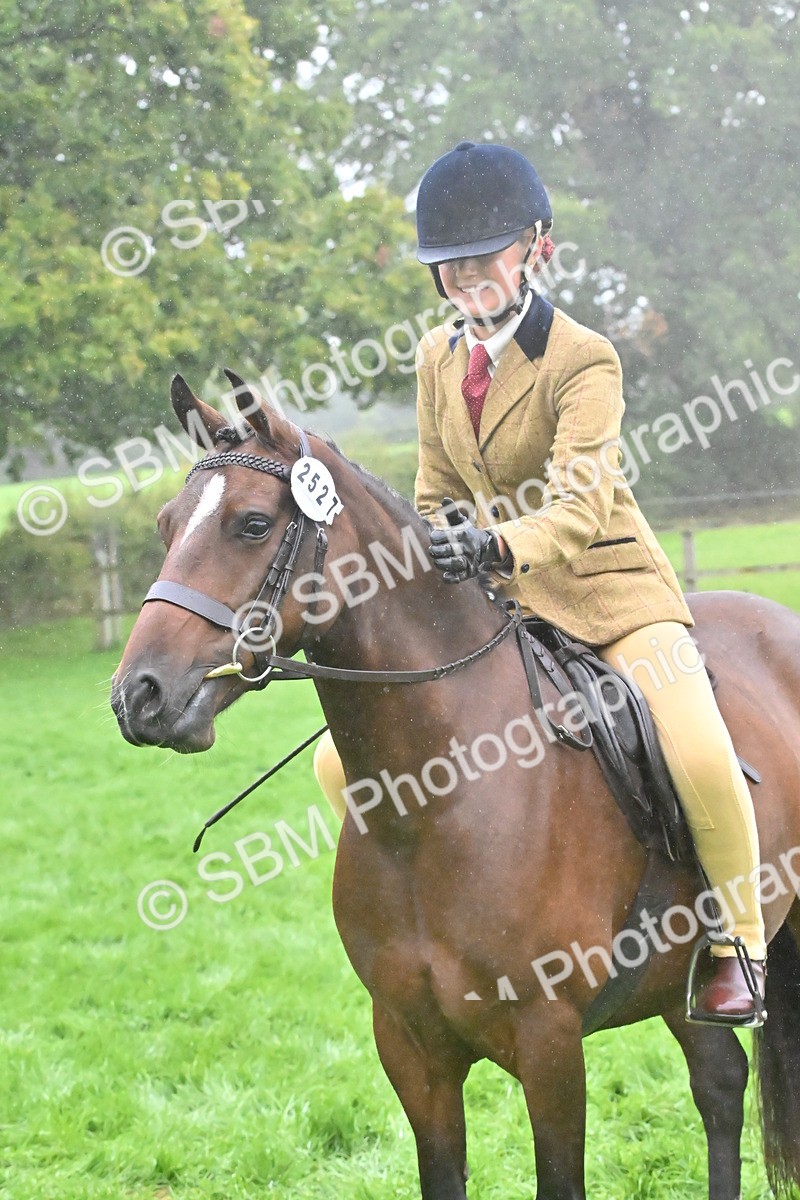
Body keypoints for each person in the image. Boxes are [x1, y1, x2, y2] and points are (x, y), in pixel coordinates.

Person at [314, 140, 766, 1025]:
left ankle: (737, 943)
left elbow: (578, 507)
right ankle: (440, 907)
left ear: (538, 248)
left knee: (698, 746)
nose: (467, 280)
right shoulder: (436, 361)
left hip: (608, 590)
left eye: (485, 259)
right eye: (450, 267)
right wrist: (440, 537)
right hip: (506, 604)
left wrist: (486, 546)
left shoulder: (584, 358)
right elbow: (437, 487)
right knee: (341, 759)